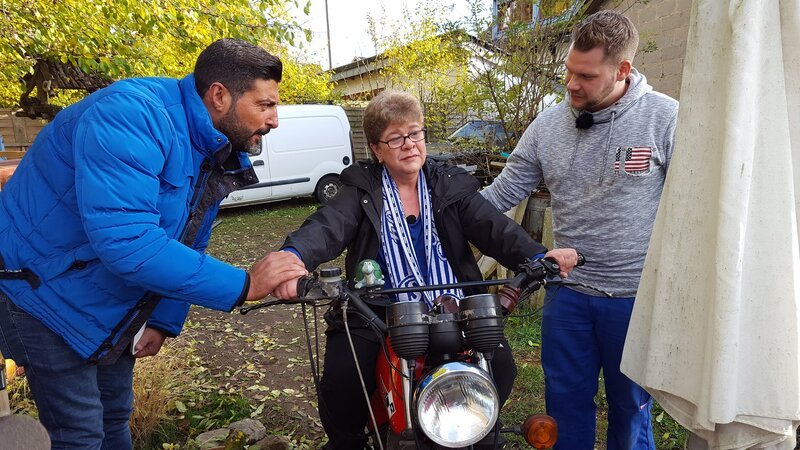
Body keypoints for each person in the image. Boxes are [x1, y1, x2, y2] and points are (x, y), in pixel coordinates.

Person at [0, 38, 308, 449]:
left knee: (114, 418)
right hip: (43, 293)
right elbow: (127, 242)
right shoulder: (130, 116)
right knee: (80, 434)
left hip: (106, 301)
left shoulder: (209, 145)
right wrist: (244, 285)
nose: (274, 120)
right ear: (219, 95)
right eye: (265, 105)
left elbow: (189, 239)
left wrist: (164, 319)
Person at [271, 90, 580, 449]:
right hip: (377, 308)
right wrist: (294, 257)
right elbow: (328, 225)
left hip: (451, 303)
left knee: (503, 367)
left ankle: (467, 423)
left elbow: (493, 227)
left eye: (415, 133)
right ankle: (348, 442)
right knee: (343, 380)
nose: (409, 145)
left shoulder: (448, 184)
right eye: (396, 138)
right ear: (376, 148)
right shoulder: (361, 189)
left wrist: (539, 256)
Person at [481, 11, 679, 450]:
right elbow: (501, 194)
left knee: (631, 411)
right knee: (564, 407)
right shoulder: (548, 125)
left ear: (622, 70)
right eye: (569, 70)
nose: (571, 83)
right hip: (567, 294)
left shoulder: (665, 119)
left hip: (635, 300)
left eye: (585, 76)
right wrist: (432, 210)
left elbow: (694, 209)